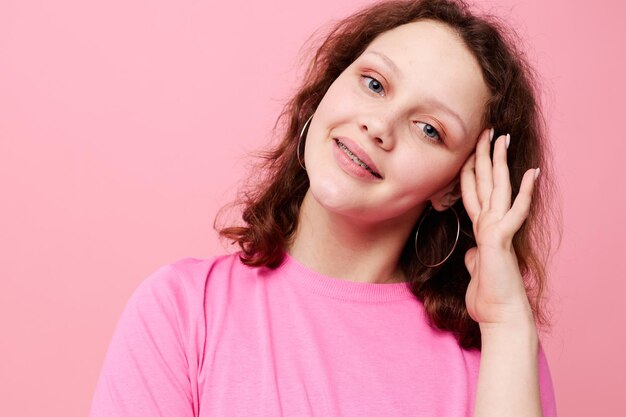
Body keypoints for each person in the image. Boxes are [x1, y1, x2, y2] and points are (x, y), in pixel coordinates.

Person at [89, 0, 560, 415]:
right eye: (374, 84)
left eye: (430, 129)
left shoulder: (499, 348)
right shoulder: (183, 310)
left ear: (455, 187)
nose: (379, 125)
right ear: (328, 88)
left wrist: (505, 324)